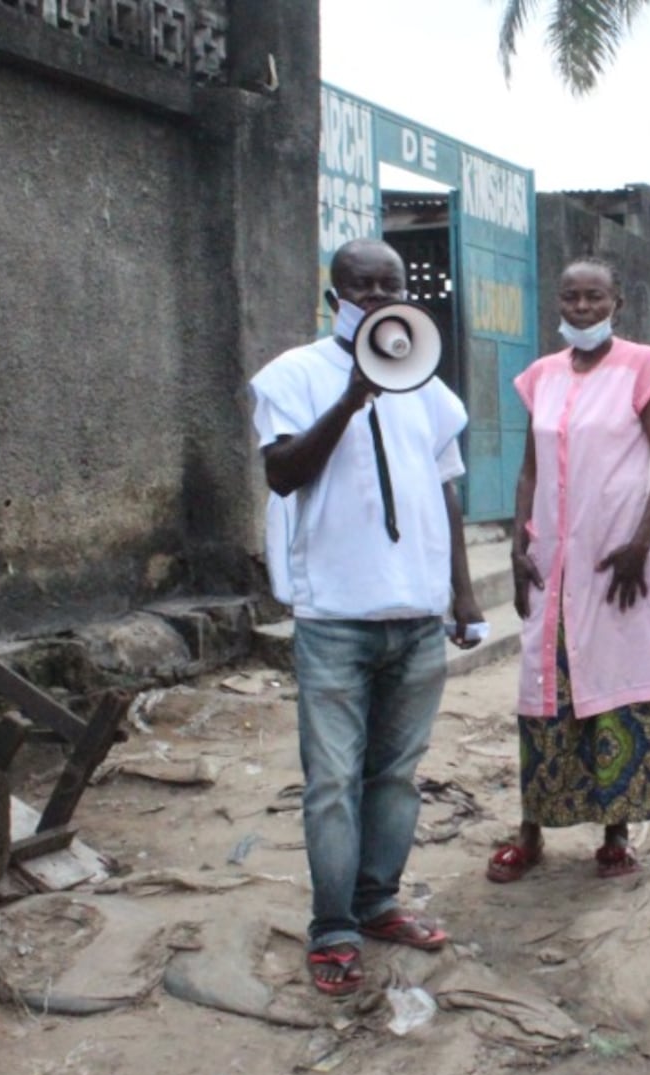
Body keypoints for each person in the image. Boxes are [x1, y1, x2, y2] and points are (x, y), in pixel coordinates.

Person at [247, 238, 486, 996]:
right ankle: (333, 926)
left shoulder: (427, 382)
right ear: (334, 296)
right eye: (362, 283)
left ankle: (377, 902)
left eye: (393, 282)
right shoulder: (294, 375)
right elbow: (282, 473)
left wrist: (464, 592)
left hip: (415, 616)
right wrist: (350, 397)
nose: (380, 293)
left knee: (396, 777)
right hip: (337, 618)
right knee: (331, 782)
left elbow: (444, 489)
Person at [489, 258, 650, 885]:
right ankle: (531, 830)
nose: (582, 307)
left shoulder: (643, 366)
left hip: (616, 562)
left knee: (618, 688)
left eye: (594, 296)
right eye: (571, 297)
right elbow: (528, 470)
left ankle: (617, 835)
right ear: (559, 304)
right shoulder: (540, 376)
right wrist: (519, 544)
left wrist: (639, 543)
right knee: (545, 690)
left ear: (616, 300)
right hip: (554, 564)